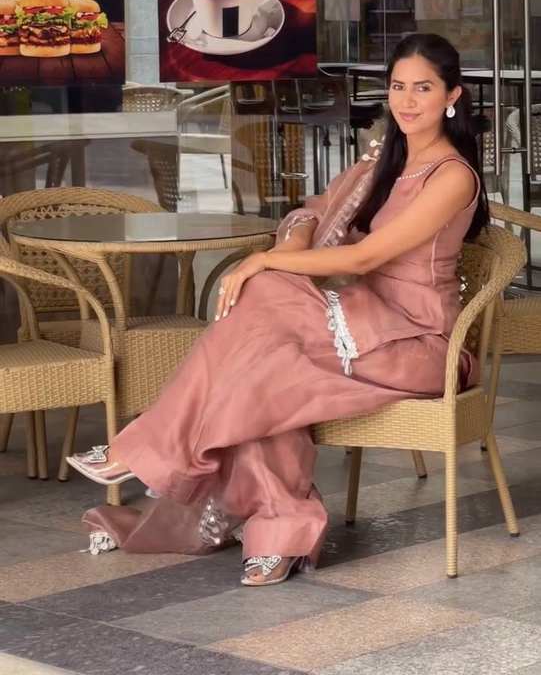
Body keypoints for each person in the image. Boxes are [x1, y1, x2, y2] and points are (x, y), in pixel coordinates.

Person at [68, 32, 489, 587]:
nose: (407, 101)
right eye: (397, 87)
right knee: (265, 362)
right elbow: (313, 210)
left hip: (416, 343)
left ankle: (150, 446)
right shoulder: (384, 161)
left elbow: (364, 256)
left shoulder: (451, 175)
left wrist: (265, 260)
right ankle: (277, 533)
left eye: (423, 88)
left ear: (452, 95)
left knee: (265, 300)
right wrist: (290, 244)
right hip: (364, 320)